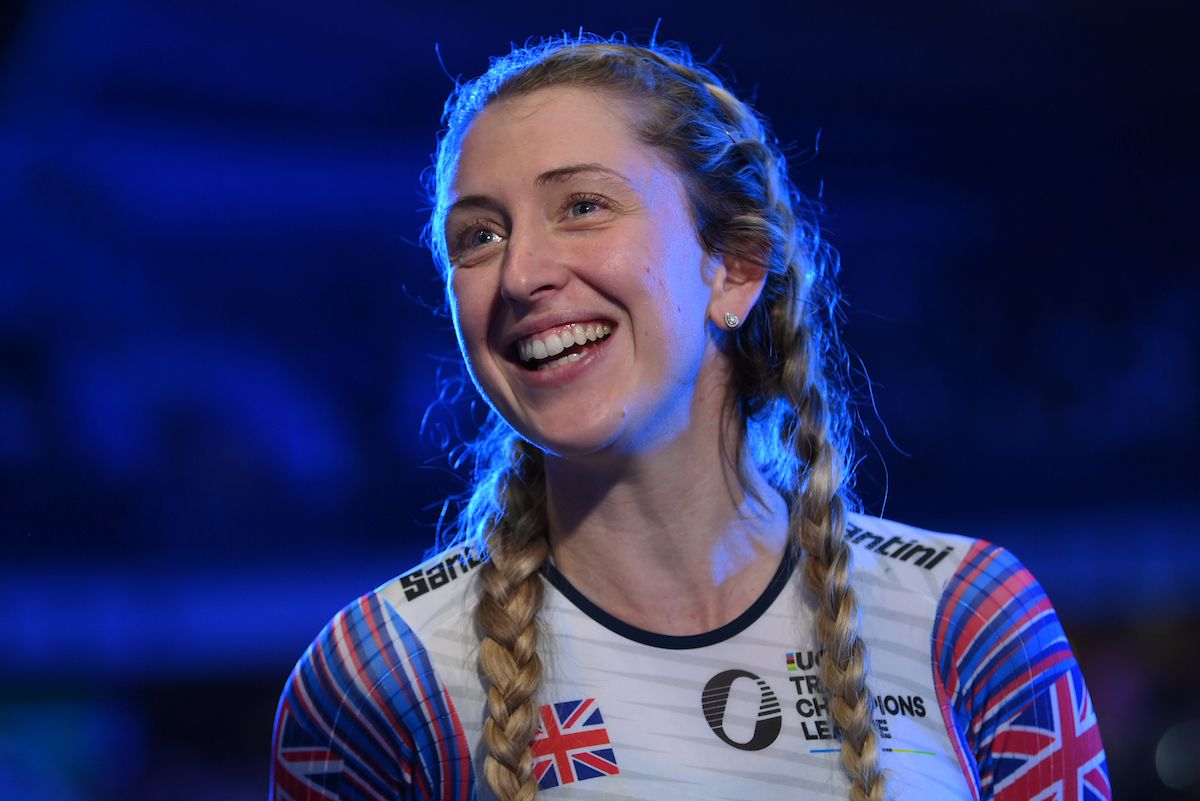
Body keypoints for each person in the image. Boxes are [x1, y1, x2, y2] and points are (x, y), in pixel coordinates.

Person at [270, 35, 1111, 801]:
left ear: (735, 268)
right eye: (478, 236)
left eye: (583, 206)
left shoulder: (967, 616)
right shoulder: (381, 673)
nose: (521, 273)